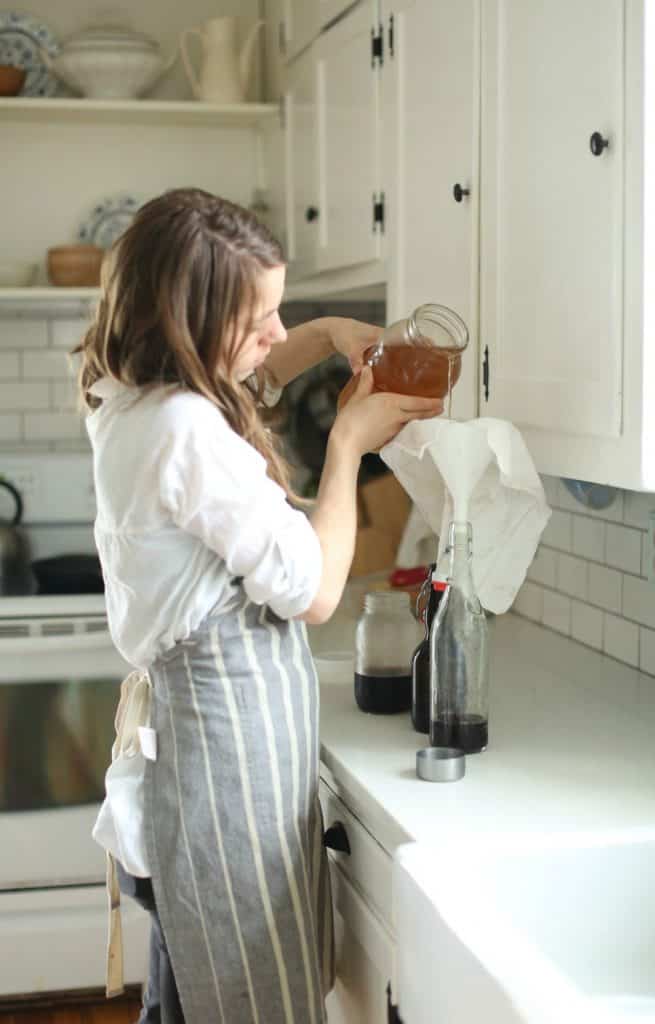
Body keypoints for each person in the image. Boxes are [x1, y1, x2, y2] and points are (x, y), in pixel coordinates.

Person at [76, 187, 442, 1024]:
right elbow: (316, 592)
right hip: (222, 778)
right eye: (261, 318)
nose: (277, 336)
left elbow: (239, 385)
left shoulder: (125, 392)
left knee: (193, 999)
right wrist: (349, 443)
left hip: (204, 761)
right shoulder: (183, 428)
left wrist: (326, 336)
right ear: (189, 325)